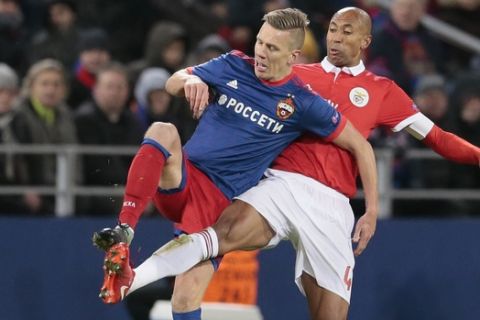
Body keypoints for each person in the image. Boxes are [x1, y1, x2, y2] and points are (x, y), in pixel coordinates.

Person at [100, 7, 480, 320]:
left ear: (365, 42)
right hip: (279, 184)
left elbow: (438, 140)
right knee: (210, 241)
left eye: (347, 32)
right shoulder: (289, 71)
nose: (336, 37)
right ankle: (127, 275)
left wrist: (373, 210)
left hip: (332, 205)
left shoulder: (381, 92)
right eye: (332, 28)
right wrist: (189, 79)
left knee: (327, 314)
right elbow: (197, 77)